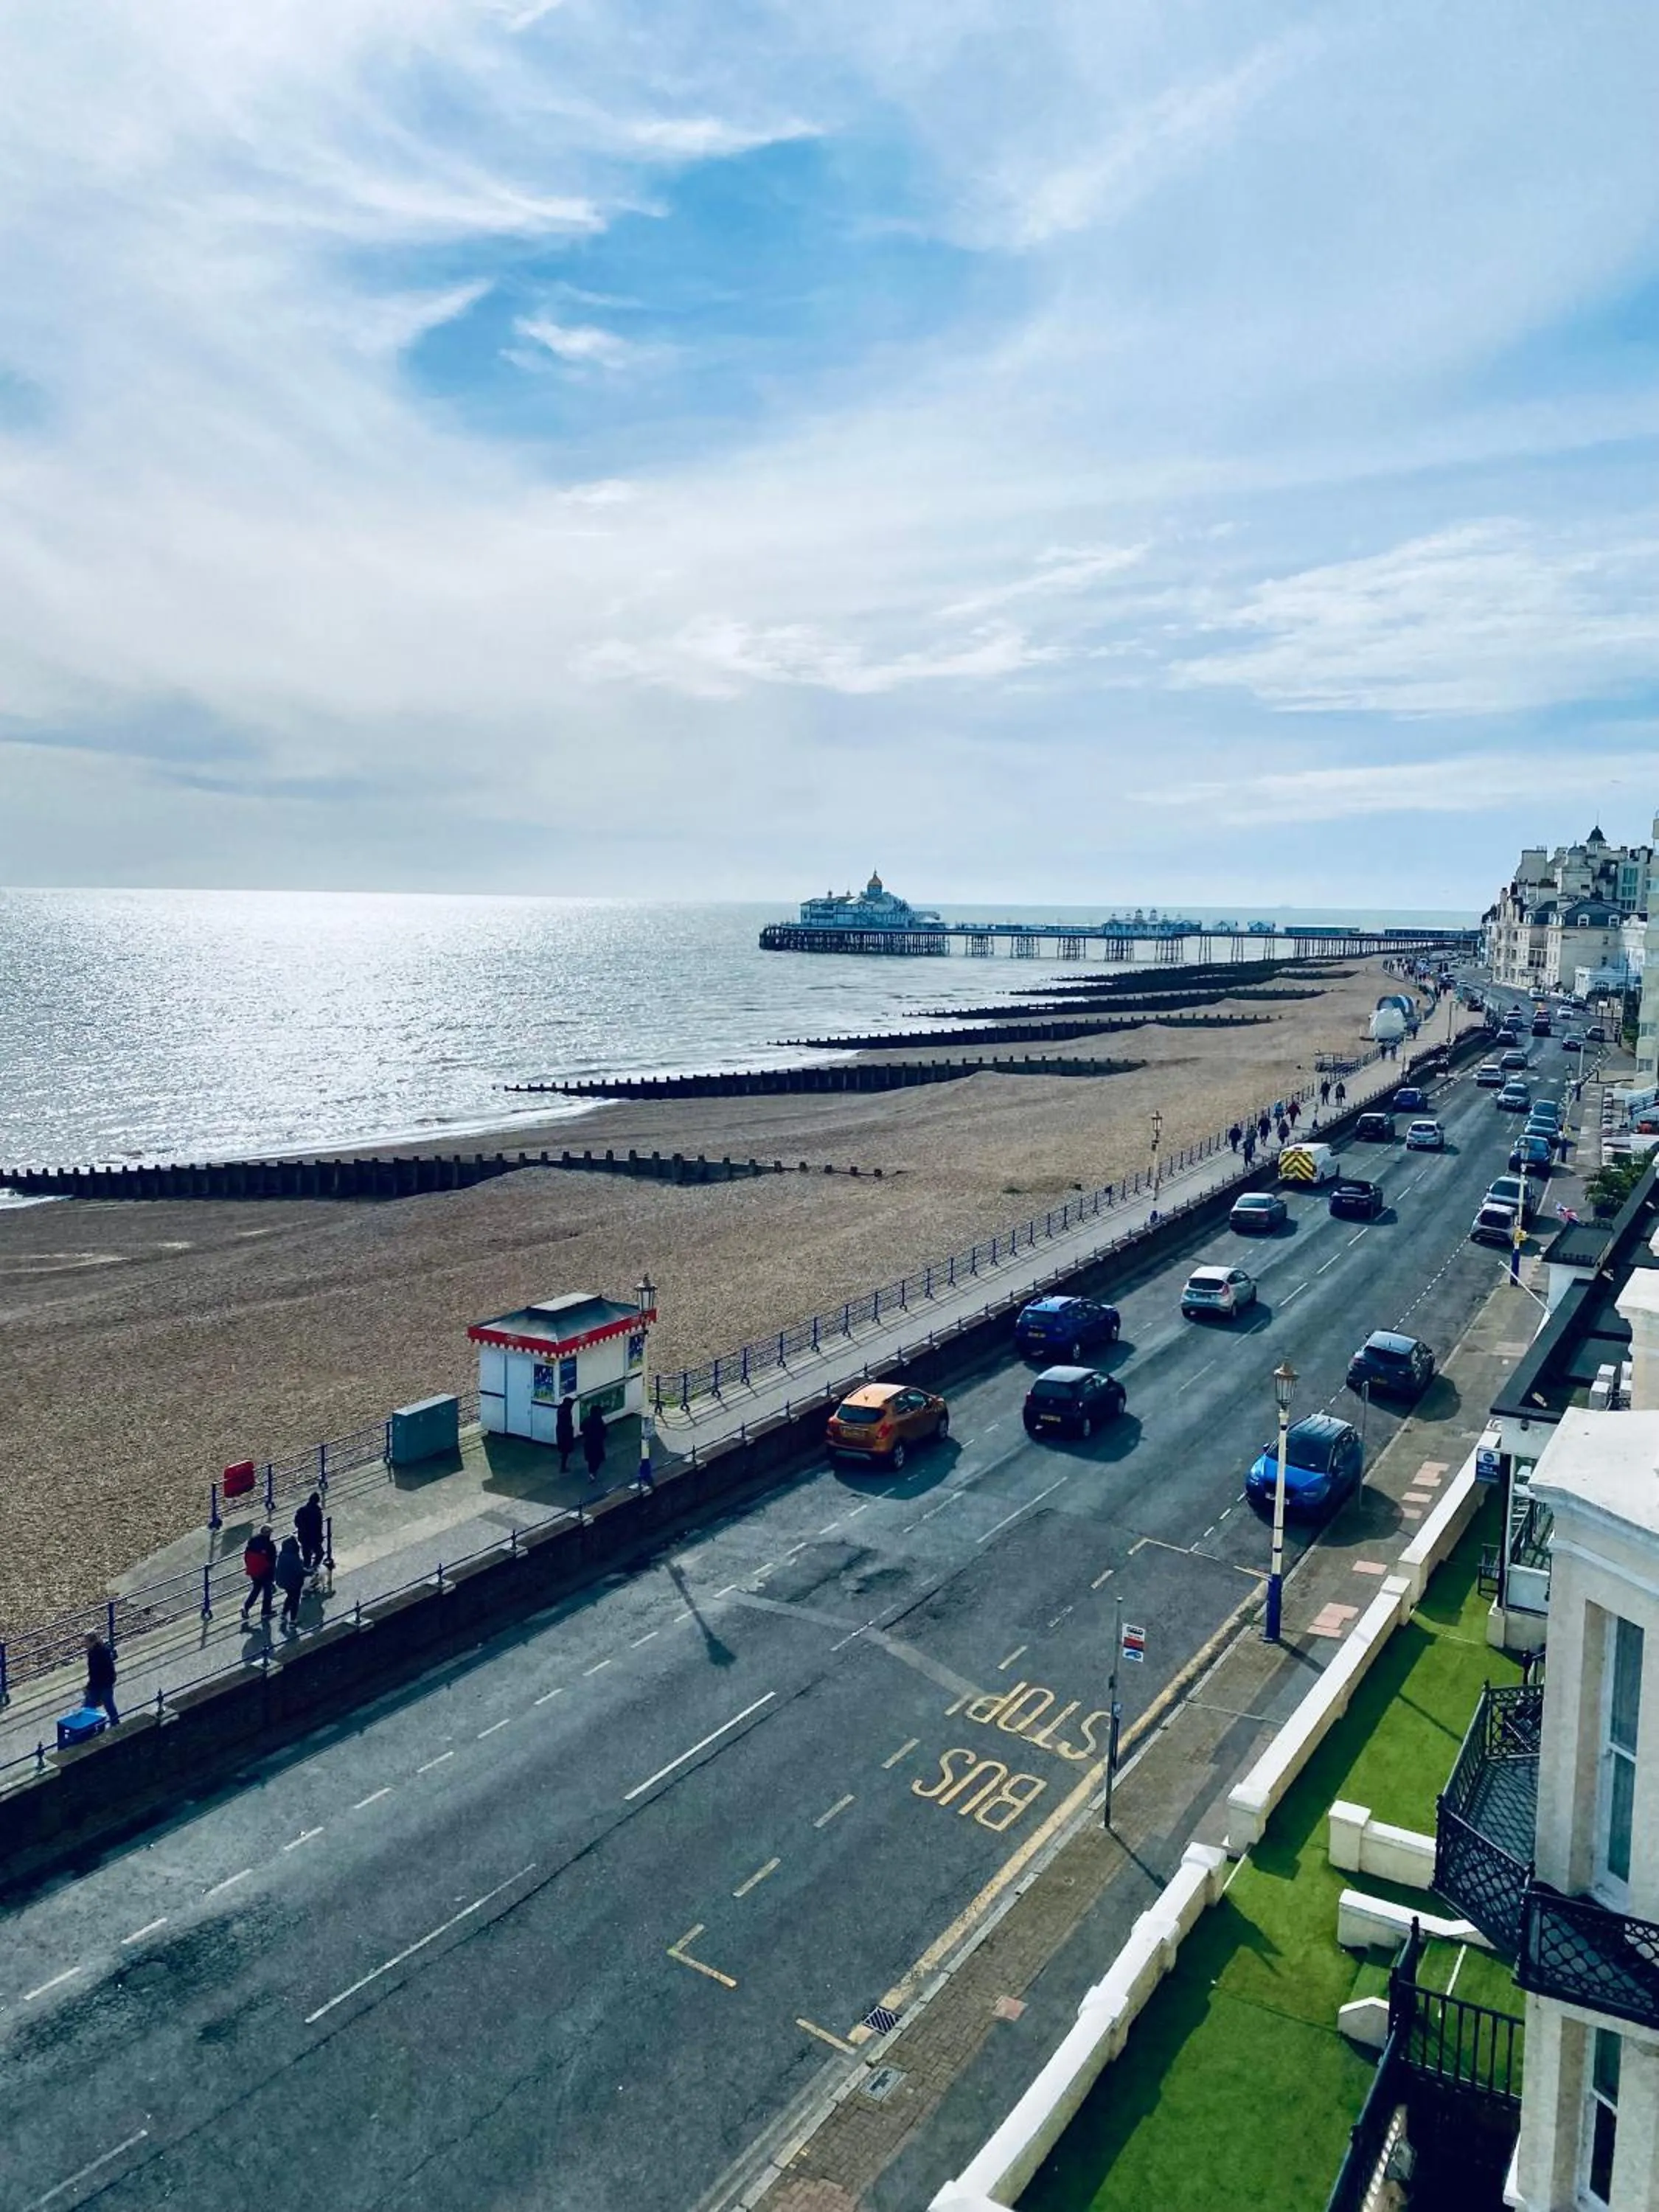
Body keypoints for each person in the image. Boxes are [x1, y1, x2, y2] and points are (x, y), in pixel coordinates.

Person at [240, 1525, 277, 1627]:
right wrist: (273, 1576)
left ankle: (246, 1607)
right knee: (267, 1593)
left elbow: (247, 1555)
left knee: (256, 1589)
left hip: (254, 1571)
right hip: (265, 1572)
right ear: (269, 1533)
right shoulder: (270, 1545)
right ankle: (266, 1612)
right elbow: (272, 1561)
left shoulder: (252, 1540)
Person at [83, 1631, 119, 1728]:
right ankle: (116, 1725)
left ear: (92, 1642)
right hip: (107, 1683)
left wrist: (88, 1687)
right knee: (109, 1706)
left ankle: (87, 1729)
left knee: (88, 1708)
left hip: (99, 1685)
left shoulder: (93, 1654)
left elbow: (95, 1673)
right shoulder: (104, 1650)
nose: (85, 1645)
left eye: (86, 1642)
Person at [275, 1534, 307, 1632]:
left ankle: (284, 1614)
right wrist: (310, 1572)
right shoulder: (295, 1558)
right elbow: (300, 1571)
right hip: (294, 1583)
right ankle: (293, 1621)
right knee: (295, 1601)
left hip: (283, 1581)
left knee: (290, 1597)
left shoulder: (282, 1555)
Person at [294, 1491, 324, 1581]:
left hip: (304, 1537)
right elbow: (319, 1526)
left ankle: (306, 1572)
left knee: (306, 1556)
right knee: (320, 1553)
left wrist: (302, 1529)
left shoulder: (301, 1510)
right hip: (315, 1538)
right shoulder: (317, 1512)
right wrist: (320, 1537)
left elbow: (297, 1523)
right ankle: (314, 1568)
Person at [582, 1402, 607, 1483]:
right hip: (598, 1443)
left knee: (591, 1459)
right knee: (598, 1459)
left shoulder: (587, 1420)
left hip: (588, 1443)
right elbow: (604, 1432)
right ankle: (593, 1472)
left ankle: (591, 1473)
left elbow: (581, 1428)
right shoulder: (600, 1421)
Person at [556, 1392, 577, 1474]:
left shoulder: (561, 1409)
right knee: (566, 1450)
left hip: (561, 1431)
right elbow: (567, 1423)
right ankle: (563, 1467)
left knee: (563, 1449)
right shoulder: (566, 1411)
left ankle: (563, 1459)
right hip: (565, 1433)